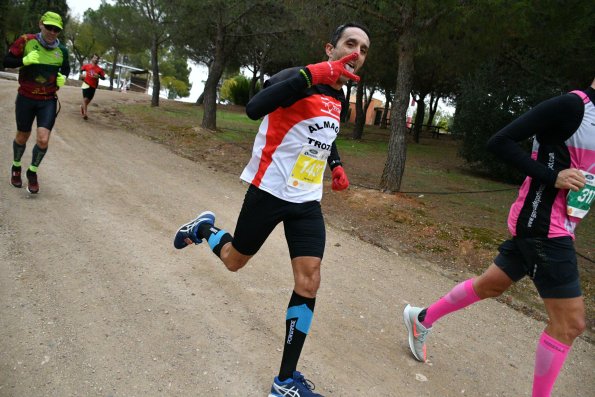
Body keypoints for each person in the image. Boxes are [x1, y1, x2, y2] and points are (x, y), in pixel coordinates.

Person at [173, 22, 370, 397]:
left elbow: (323, 135)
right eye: (350, 43)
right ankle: (203, 230)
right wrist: (311, 74)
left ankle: (284, 382)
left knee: (309, 281)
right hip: (269, 191)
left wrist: (337, 165)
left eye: (363, 49)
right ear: (330, 47)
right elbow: (254, 108)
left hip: (307, 201)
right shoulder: (298, 78)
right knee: (234, 261)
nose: (356, 52)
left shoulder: (340, 97)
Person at [403, 78, 594, 397]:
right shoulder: (572, 107)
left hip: (556, 224)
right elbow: (499, 141)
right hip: (542, 224)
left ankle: (421, 318)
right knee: (570, 324)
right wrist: (552, 176)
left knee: (491, 284)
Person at [4, 11, 70, 194]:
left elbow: (66, 69)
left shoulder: (62, 51)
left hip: (47, 100)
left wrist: (62, 78)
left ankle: (32, 172)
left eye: (56, 29)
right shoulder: (26, 40)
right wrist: (23, 60)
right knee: (22, 136)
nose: (52, 32)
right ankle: (16, 166)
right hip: (25, 97)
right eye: (49, 27)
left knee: (43, 139)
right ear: (41, 24)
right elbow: (6, 60)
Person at [80, 54, 106, 120]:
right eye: (94, 58)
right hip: (86, 84)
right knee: (85, 99)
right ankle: (85, 114)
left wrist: (99, 76)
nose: (96, 59)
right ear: (92, 59)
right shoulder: (86, 66)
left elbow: (103, 78)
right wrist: (82, 75)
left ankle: (82, 107)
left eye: (97, 58)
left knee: (87, 101)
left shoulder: (99, 69)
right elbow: (81, 70)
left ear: (98, 60)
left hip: (93, 86)